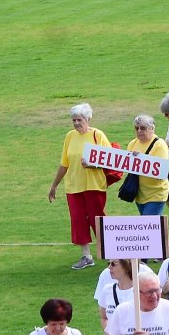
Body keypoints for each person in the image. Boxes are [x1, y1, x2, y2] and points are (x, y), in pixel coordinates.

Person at [46, 103, 111, 270]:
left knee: (97, 218)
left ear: (88, 119)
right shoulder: (70, 136)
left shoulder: (98, 135)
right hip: (74, 186)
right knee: (78, 219)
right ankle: (86, 255)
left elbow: (110, 160)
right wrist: (54, 185)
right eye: (73, 120)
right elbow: (64, 163)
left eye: (79, 120)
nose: (76, 123)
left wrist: (93, 165)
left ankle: (110, 252)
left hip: (93, 185)